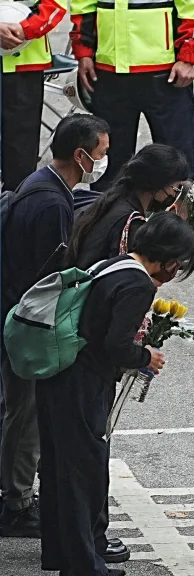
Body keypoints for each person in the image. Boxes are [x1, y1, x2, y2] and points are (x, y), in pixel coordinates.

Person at [36, 212, 194, 576]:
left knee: (59, 468)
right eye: (178, 263)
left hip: (58, 375)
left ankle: (61, 555)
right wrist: (147, 356)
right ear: (167, 258)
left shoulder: (114, 264)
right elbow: (116, 345)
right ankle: (83, 566)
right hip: (83, 383)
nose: (176, 271)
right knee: (82, 475)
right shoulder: (137, 284)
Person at [0, 114, 109, 539]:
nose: (103, 160)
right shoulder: (50, 204)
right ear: (80, 155)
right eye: (100, 152)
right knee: (24, 414)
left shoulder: (44, 185)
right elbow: (49, 278)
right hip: (26, 324)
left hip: (16, 311)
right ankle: (16, 502)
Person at [69, 0, 194, 190]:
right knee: (107, 168)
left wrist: (187, 56)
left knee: (177, 165)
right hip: (109, 72)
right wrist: (84, 51)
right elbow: (83, 4)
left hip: (165, 73)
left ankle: (178, 209)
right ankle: (109, 210)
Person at [65, 143, 190, 270]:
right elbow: (141, 271)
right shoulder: (131, 223)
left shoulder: (115, 197)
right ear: (155, 184)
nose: (174, 195)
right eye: (175, 189)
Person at [0, 0, 67, 190]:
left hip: (25, 63)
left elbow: (55, 4)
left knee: (21, 154)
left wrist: (26, 29)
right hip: (24, 60)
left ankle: (18, 203)